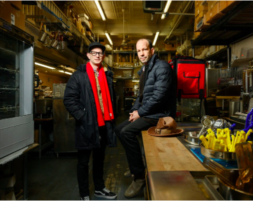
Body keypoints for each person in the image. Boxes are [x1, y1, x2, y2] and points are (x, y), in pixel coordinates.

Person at [115, 39, 176, 198]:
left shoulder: (161, 67)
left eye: (144, 49)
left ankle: (139, 177)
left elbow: (159, 97)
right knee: (119, 129)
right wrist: (134, 111)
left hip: (159, 115)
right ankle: (137, 164)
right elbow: (140, 97)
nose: (141, 53)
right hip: (148, 113)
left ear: (152, 51)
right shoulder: (145, 70)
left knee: (127, 133)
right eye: (138, 51)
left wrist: (140, 113)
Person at [64, 42, 117, 200]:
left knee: (100, 159)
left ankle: (99, 188)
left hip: (103, 125)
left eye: (100, 53)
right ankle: (84, 193)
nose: (97, 55)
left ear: (103, 56)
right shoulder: (79, 75)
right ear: (88, 55)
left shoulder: (106, 76)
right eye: (94, 53)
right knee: (83, 162)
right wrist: (83, 116)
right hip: (86, 126)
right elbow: (69, 100)